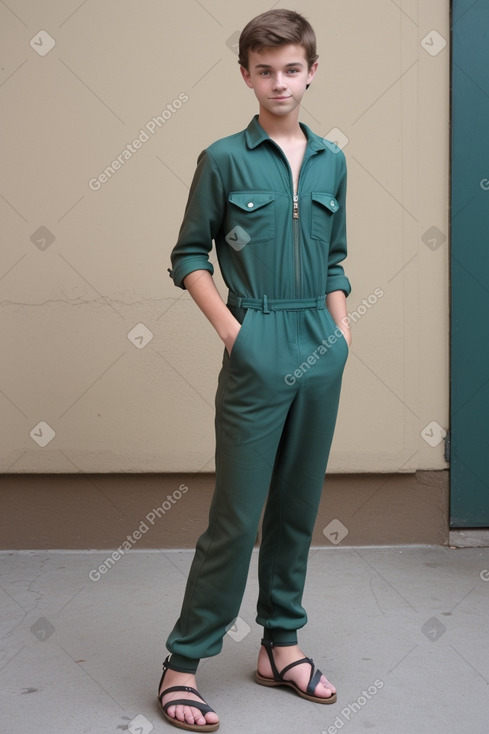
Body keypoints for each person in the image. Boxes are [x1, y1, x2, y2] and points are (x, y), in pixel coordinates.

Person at [158, 8, 352, 731]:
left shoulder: (332, 159)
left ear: (310, 71)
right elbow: (187, 255)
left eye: (292, 69)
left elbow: (335, 258)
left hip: (318, 343)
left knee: (296, 511)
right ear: (246, 74)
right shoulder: (224, 159)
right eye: (264, 70)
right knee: (236, 520)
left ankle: (280, 645)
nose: (279, 82)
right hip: (259, 337)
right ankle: (182, 663)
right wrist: (235, 333)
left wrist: (338, 329)